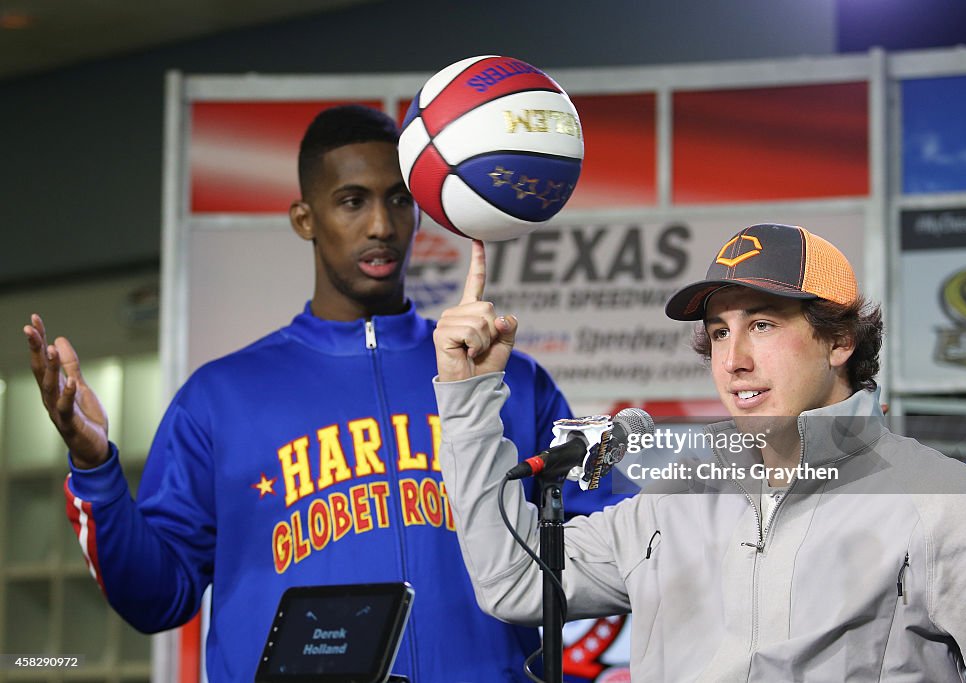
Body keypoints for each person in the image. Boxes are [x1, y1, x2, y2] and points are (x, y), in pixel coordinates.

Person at [23, 105, 623, 682]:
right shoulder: (220, 397)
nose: (381, 226)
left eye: (398, 198)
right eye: (352, 201)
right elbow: (155, 600)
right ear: (305, 218)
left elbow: (603, 552)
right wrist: (94, 463)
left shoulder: (501, 378)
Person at [432, 223, 966, 681]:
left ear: (840, 340)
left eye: (762, 325)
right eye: (719, 332)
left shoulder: (943, 502)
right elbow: (512, 581)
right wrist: (468, 394)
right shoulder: (677, 497)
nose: (733, 358)